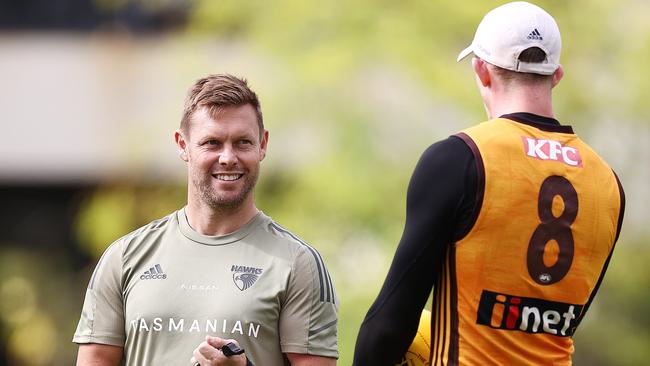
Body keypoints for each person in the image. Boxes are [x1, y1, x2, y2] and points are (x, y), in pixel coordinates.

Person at [353, 2, 625, 365]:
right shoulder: (608, 182)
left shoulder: (462, 157)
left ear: (481, 70)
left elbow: (390, 323)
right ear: (556, 75)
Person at [73, 74, 339, 366]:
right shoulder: (123, 257)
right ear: (183, 145)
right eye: (212, 142)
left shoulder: (298, 263)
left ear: (262, 145)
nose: (228, 157)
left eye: (242, 142)